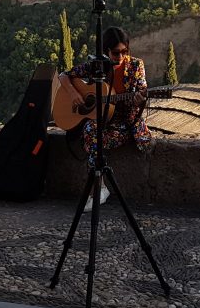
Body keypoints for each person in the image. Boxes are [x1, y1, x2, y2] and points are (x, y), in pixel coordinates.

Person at [58, 26, 152, 212]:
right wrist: (75, 94)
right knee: (91, 131)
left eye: (125, 51)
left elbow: (142, 91)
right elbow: (64, 75)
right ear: (106, 51)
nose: (121, 56)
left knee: (95, 137)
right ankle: (99, 188)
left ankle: (97, 191)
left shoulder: (135, 66)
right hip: (101, 120)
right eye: (116, 52)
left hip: (124, 123)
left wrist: (138, 100)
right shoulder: (98, 66)